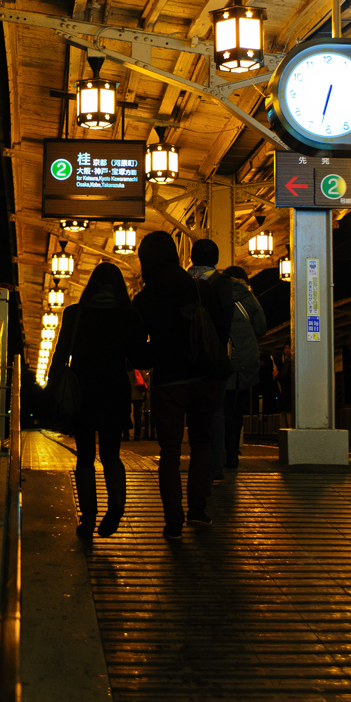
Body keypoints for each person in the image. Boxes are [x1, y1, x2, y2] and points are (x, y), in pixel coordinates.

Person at [133, 231, 220, 541]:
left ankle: (173, 521)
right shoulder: (197, 289)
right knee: (201, 443)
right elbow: (216, 330)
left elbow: (137, 350)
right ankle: (198, 509)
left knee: (169, 452)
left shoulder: (142, 299)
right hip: (201, 378)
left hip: (168, 382)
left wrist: (158, 351)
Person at [48, 262, 145, 539]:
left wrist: (52, 391)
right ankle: (116, 504)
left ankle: (88, 519)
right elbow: (140, 359)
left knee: (85, 457)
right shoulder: (129, 316)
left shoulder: (75, 314)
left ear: (91, 285)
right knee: (111, 454)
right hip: (114, 391)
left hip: (83, 393)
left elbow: (60, 355)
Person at [187, 239, 235, 480]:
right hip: (214, 355)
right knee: (216, 410)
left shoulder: (183, 281)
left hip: (186, 356)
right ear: (216, 259)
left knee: (189, 409)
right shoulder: (221, 282)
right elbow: (227, 316)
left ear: (192, 257)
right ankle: (214, 465)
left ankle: (193, 463)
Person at [222, 265, 267, 469]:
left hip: (221, 362)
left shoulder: (216, 295)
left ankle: (219, 453)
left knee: (220, 409)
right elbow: (261, 328)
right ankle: (232, 454)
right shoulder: (250, 299)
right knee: (236, 410)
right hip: (244, 364)